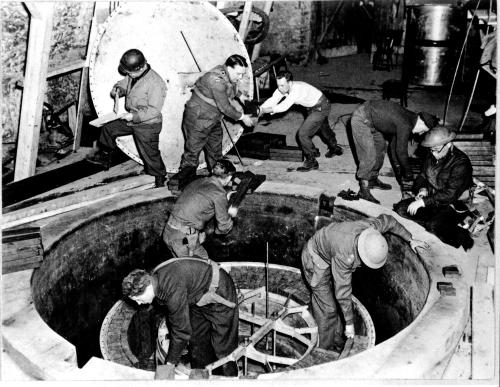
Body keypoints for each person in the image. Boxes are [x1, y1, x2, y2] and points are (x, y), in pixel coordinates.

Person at [301, 213, 429, 352]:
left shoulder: (371, 230)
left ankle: (331, 332)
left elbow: (389, 220)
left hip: (327, 252)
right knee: (328, 309)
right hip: (314, 262)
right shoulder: (345, 254)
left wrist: (410, 239)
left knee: (328, 303)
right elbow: (342, 292)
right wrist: (349, 324)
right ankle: (322, 349)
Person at [122, 257, 239, 379]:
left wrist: (169, 363)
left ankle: (230, 378)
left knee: (223, 347)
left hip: (220, 290)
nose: (140, 304)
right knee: (197, 338)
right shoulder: (154, 278)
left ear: (148, 287)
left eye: (139, 299)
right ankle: (201, 377)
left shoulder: (172, 291)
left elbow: (181, 332)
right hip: (199, 295)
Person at [86, 49, 167, 188]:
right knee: (109, 129)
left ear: (141, 67)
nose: (128, 74)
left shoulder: (156, 83)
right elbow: (125, 82)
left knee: (149, 154)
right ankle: (105, 157)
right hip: (131, 119)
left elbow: (154, 110)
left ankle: (160, 178)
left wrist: (133, 116)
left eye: (130, 72)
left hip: (148, 124)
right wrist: (118, 89)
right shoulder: (134, 74)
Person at [174, 54, 256, 187]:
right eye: (238, 74)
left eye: (242, 74)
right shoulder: (215, 79)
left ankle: (218, 181)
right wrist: (242, 117)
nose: (240, 77)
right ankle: (183, 185)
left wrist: (241, 96)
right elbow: (225, 107)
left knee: (215, 151)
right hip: (198, 119)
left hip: (213, 118)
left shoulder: (225, 73)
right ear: (229, 68)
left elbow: (230, 87)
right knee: (192, 153)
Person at [393, 127, 474, 250]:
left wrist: (423, 202)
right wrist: (422, 189)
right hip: (432, 200)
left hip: (453, 204)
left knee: (433, 226)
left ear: (448, 144)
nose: (433, 153)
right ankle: (438, 223)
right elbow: (422, 176)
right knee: (401, 209)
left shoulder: (461, 163)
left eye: (436, 150)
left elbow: (450, 194)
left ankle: (461, 235)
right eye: (431, 150)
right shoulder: (431, 155)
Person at [350, 100, 440, 203]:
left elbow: (393, 147)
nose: (420, 134)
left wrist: (398, 168)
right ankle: (363, 190)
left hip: (373, 121)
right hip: (361, 119)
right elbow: (401, 151)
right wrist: (408, 172)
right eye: (423, 130)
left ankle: (372, 179)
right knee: (369, 155)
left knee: (381, 147)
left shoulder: (411, 118)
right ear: (421, 121)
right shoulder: (406, 125)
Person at [259, 71, 343, 172]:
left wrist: (265, 111)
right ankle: (334, 147)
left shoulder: (296, 90)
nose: (280, 88)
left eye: (282, 85)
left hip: (321, 106)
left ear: (290, 83)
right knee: (322, 128)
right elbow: (273, 99)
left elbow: (283, 106)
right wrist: (260, 109)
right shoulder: (283, 88)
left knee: (303, 133)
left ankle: (312, 161)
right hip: (312, 107)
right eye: (278, 85)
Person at [163, 159, 237, 259]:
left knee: (183, 269)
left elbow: (195, 207)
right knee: (205, 268)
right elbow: (223, 227)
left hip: (168, 232)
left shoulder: (198, 182)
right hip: (182, 239)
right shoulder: (218, 193)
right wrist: (231, 215)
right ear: (229, 177)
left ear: (212, 171)